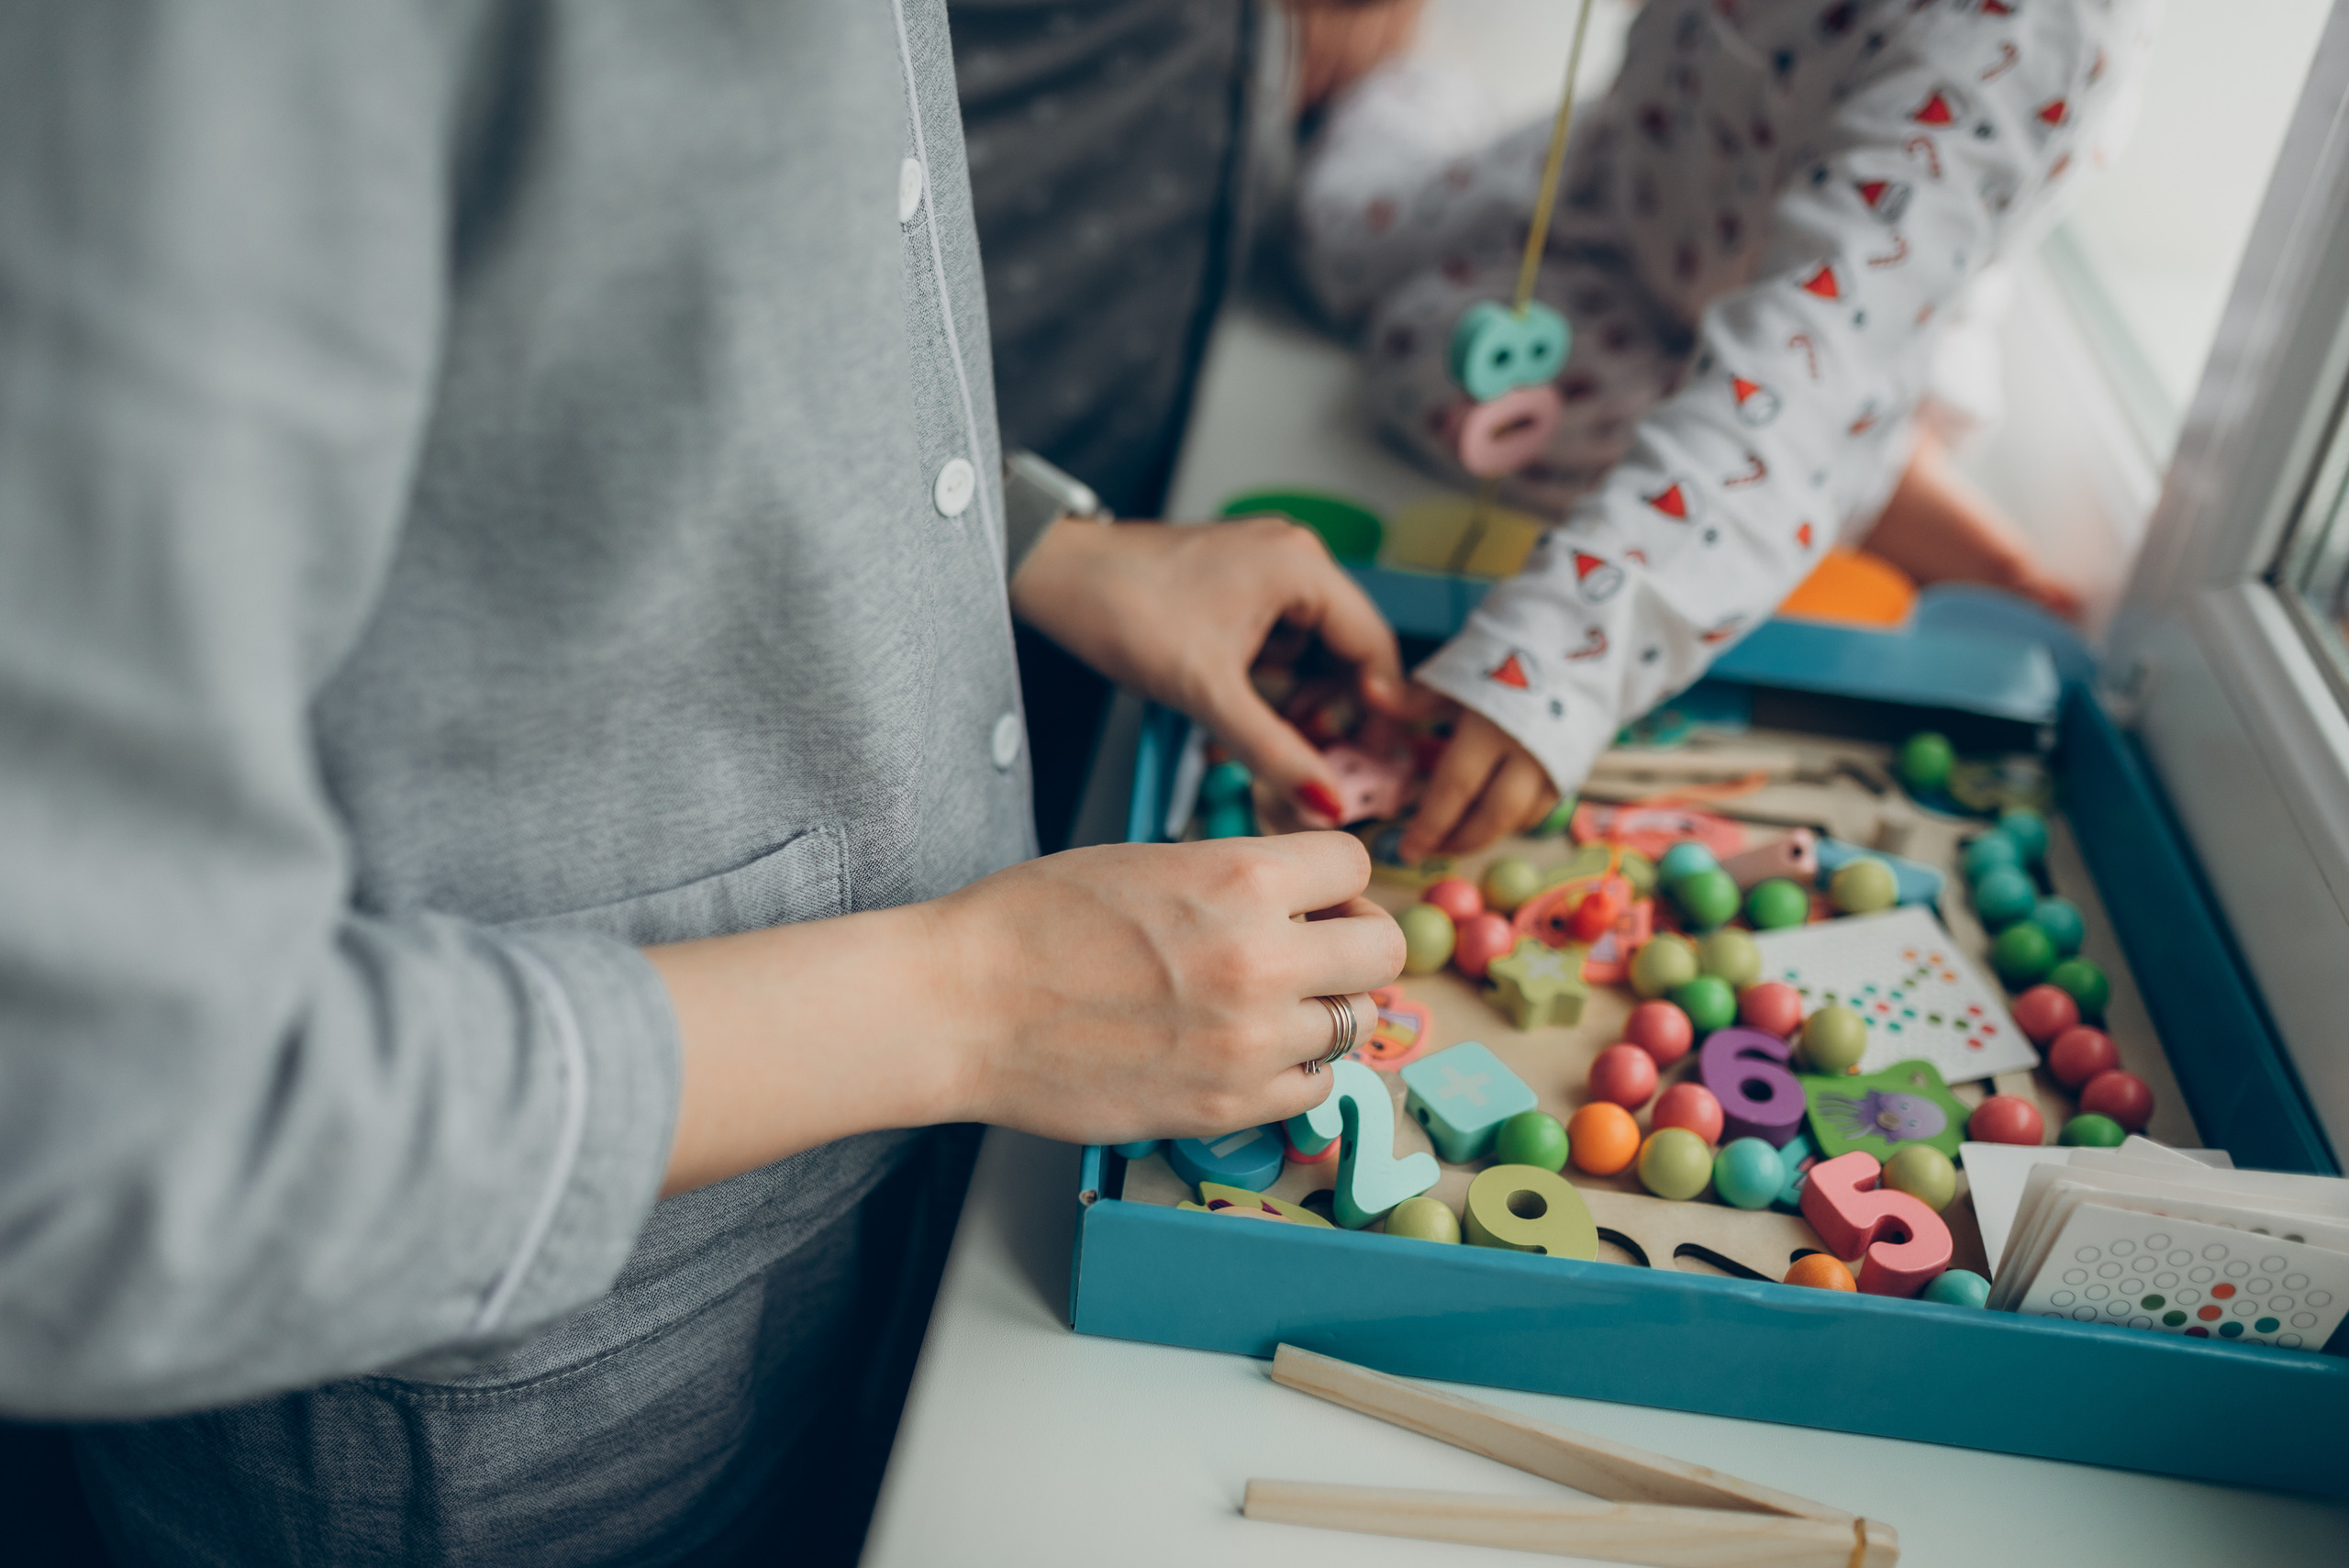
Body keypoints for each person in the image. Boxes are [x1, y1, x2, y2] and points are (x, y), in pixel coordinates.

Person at [0, 5, 1408, 1563]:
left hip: (865, 1238)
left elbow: (585, 325)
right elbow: (89, 1140)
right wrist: (975, 1003)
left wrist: (1029, 544)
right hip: (508, 1417)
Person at [1286, 0, 2151, 861]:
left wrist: (1552, 665)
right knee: (1365, 271)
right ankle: (1411, 80)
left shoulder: (2028, 30)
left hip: (1836, 348)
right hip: (1618, 204)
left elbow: (1808, 366)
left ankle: (1873, 465)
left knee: (1747, 432)